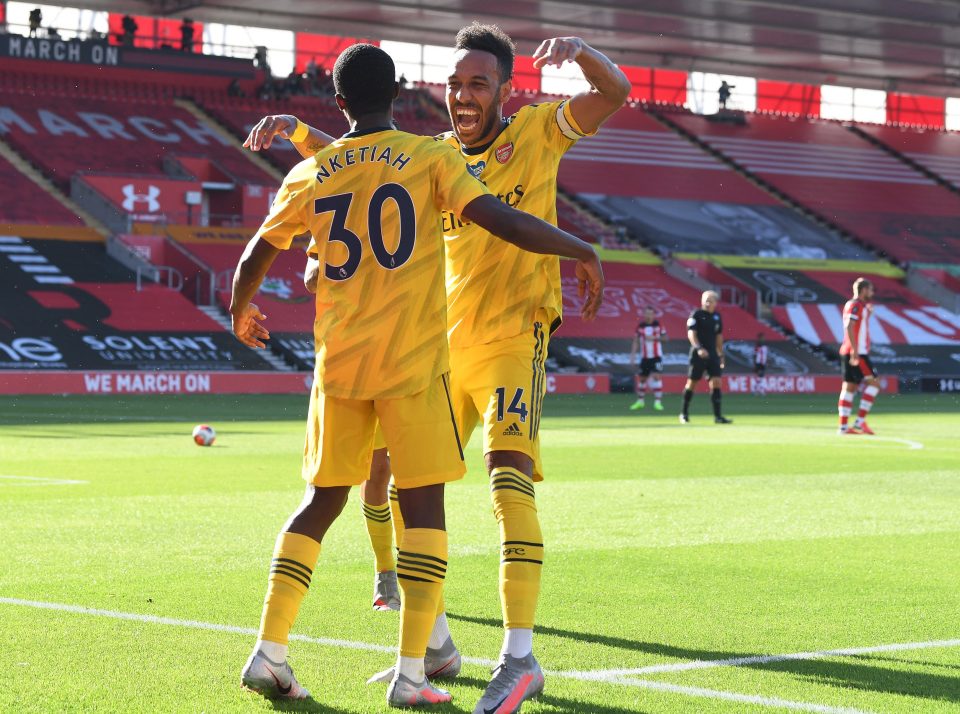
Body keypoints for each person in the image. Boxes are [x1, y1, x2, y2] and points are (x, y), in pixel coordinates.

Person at [243, 25, 628, 714]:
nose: (463, 95)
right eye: (454, 83)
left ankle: (519, 657)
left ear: (506, 90)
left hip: (514, 335)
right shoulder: (434, 155)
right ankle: (436, 647)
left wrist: (582, 55)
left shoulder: (540, 130)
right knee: (403, 489)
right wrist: (303, 132)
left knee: (506, 480)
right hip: (439, 349)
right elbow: (359, 163)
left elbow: (615, 93)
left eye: (478, 83)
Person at [680, 290, 732, 424]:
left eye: (710, 300)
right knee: (692, 383)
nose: (707, 303)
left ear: (716, 303)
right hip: (698, 354)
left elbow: (719, 337)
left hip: (713, 354)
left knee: (716, 382)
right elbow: (691, 334)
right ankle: (684, 413)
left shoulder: (717, 317)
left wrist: (720, 354)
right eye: (705, 300)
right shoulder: (696, 315)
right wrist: (698, 348)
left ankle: (718, 417)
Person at [838, 278, 880, 435]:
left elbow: (857, 325)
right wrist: (855, 350)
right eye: (870, 290)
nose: (872, 293)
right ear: (863, 290)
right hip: (857, 352)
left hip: (850, 350)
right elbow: (850, 325)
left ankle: (843, 427)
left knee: (850, 387)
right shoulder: (856, 305)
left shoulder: (857, 305)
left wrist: (868, 313)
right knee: (874, 384)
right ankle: (859, 422)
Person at [629, 306, 665, 411]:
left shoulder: (658, 325)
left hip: (657, 357)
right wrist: (633, 355)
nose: (648, 316)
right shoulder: (640, 326)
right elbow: (635, 341)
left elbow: (665, 338)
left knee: (657, 376)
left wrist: (654, 338)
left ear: (653, 315)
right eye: (647, 313)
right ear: (644, 314)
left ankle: (658, 402)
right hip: (644, 357)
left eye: (650, 314)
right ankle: (640, 402)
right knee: (642, 379)